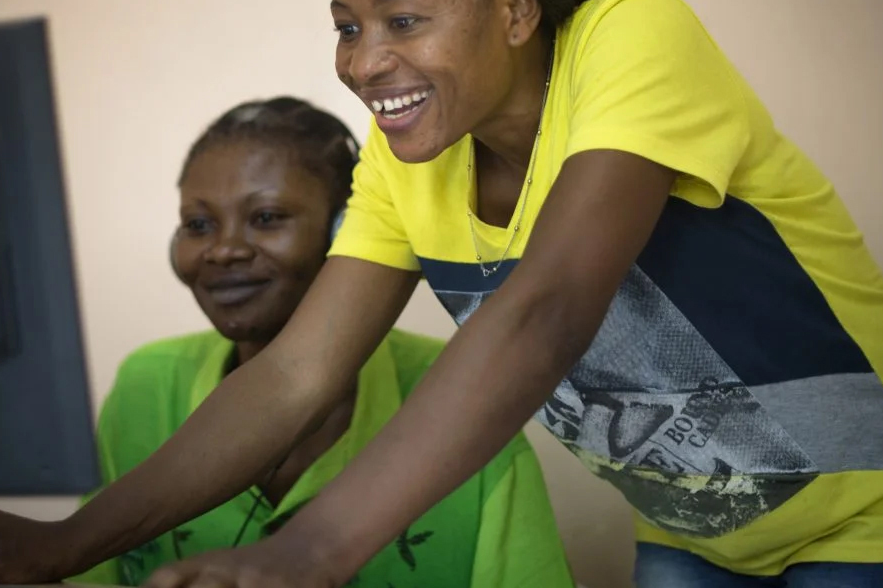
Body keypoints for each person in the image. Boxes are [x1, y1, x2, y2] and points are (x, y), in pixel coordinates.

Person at [0, 0, 883, 588]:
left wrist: (321, 545)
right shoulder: (408, 155)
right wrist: (56, 549)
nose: (362, 61)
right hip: (699, 532)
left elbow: (546, 308)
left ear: (518, 8)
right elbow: (298, 372)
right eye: (346, 23)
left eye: (401, 19)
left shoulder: (634, 39)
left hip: (872, 514)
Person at [71, 97, 573, 586]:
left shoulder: (456, 388)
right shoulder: (145, 384)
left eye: (266, 217)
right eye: (198, 225)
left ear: (346, 230)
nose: (222, 250)